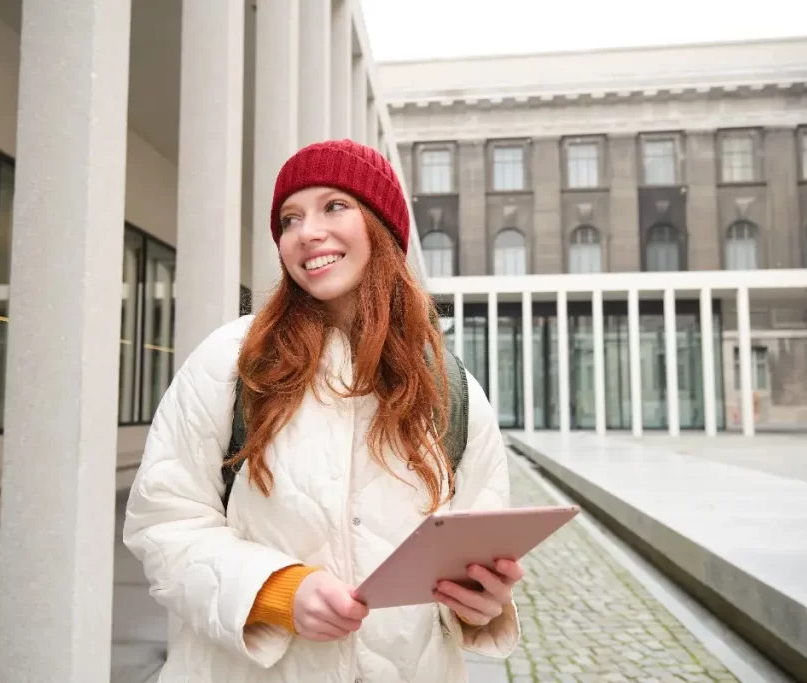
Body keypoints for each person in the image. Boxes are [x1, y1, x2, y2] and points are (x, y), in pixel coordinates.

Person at [123, 139, 522, 683]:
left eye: (335, 206)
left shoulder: (452, 389)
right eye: (290, 218)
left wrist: (481, 604)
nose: (307, 232)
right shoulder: (231, 361)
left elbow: (475, 551)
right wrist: (277, 591)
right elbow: (162, 523)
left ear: (382, 227)